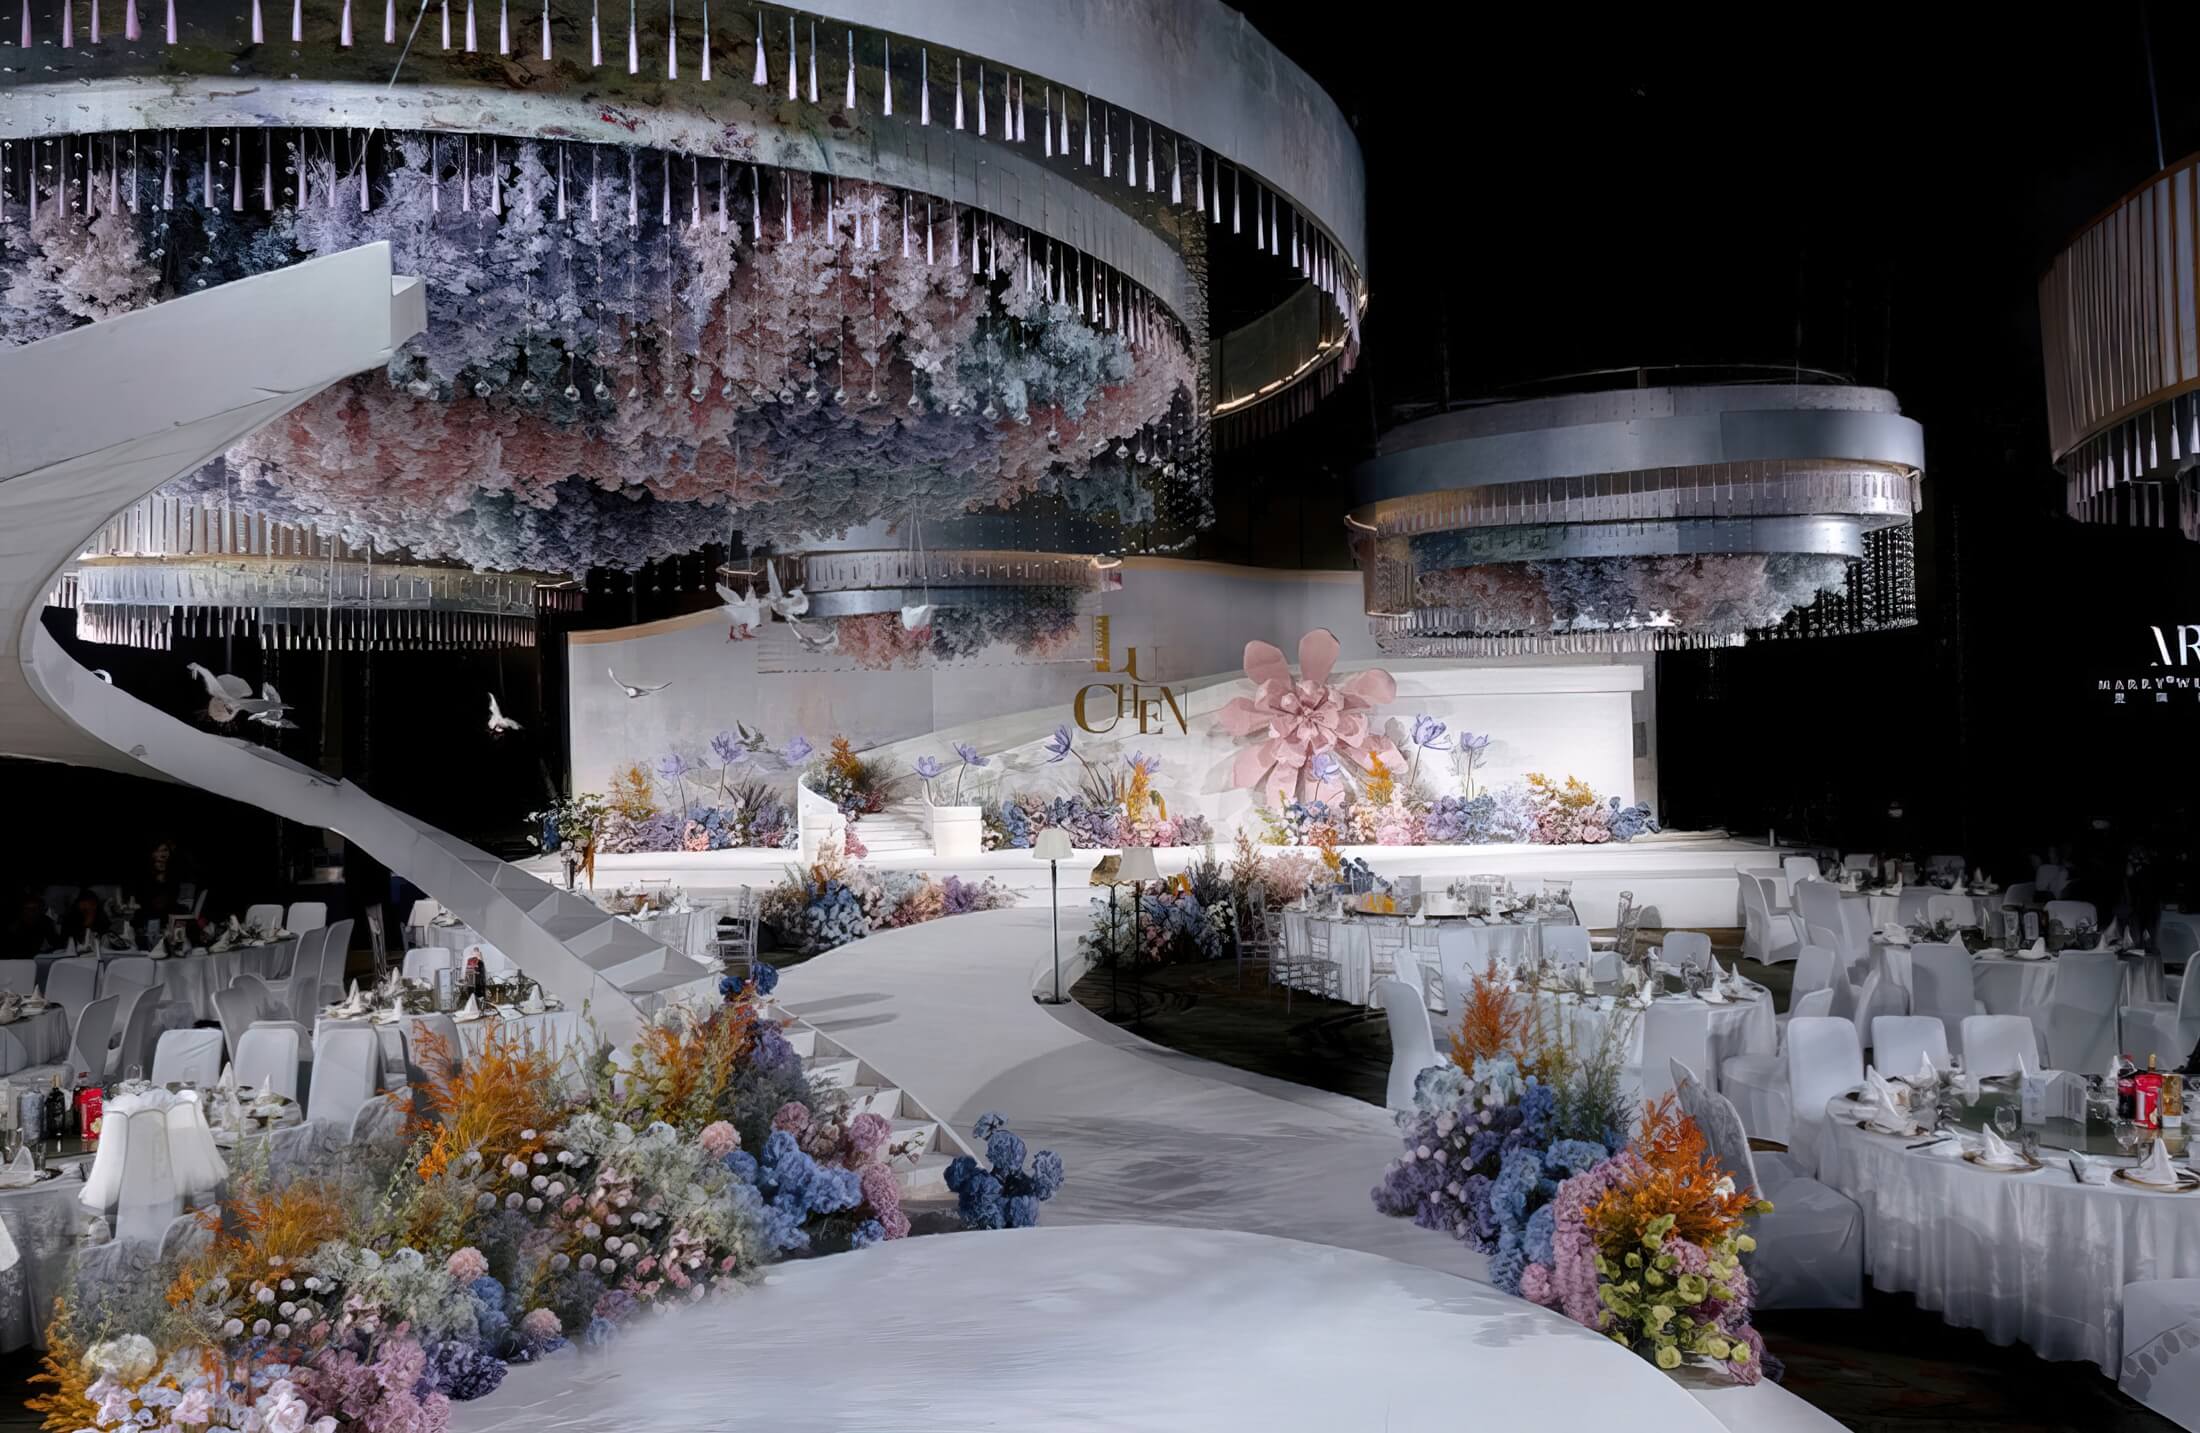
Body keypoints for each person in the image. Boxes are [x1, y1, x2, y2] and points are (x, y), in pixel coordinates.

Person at [3, 892, 56, 957]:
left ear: (40, 910)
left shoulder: (45, 921)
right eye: (27, 909)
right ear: (22, 910)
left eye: (35, 909)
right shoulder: (13, 923)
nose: (31, 912)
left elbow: (54, 942)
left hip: (34, 958)